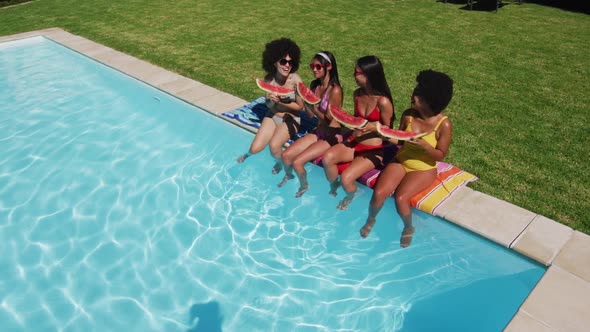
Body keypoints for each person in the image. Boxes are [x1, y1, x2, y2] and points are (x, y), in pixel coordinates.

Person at [359, 69, 454, 248]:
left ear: (429, 99)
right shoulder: (408, 115)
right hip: (402, 160)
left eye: (417, 94)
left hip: (424, 167)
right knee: (379, 193)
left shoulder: (444, 124)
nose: (412, 95)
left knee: (401, 198)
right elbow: (399, 140)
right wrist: (378, 130)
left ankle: (408, 227)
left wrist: (425, 147)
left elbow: (441, 154)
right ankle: (371, 220)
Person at [321, 55, 395, 210]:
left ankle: (352, 195)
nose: (354, 76)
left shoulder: (383, 101)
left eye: (357, 73)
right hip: (354, 143)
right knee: (327, 158)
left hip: (372, 150)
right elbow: (356, 120)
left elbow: (388, 133)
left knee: (347, 178)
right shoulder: (357, 94)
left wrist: (373, 128)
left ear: (368, 75)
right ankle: (334, 188)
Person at [278, 51, 345, 197]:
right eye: (312, 66)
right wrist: (300, 96)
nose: (314, 69)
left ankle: (308, 186)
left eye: (318, 66)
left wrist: (313, 106)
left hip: (331, 135)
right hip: (318, 131)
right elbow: (309, 114)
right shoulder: (315, 85)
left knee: (297, 162)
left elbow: (328, 119)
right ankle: (294, 178)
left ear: (329, 67)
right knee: (286, 156)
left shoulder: (335, 90)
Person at [237, 38, 304, 175]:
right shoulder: (269, 80)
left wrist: (281, 101)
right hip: (272, 115)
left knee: (274, 147)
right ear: (274, 62)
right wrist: (273, 102)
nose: (287, 66)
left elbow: (300, 107)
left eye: (290, 62)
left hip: (291, 119)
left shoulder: (295, 80)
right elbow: (269, 104)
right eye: (283, 62)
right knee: (255, 148)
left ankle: (281, 164)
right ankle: (248, 154)